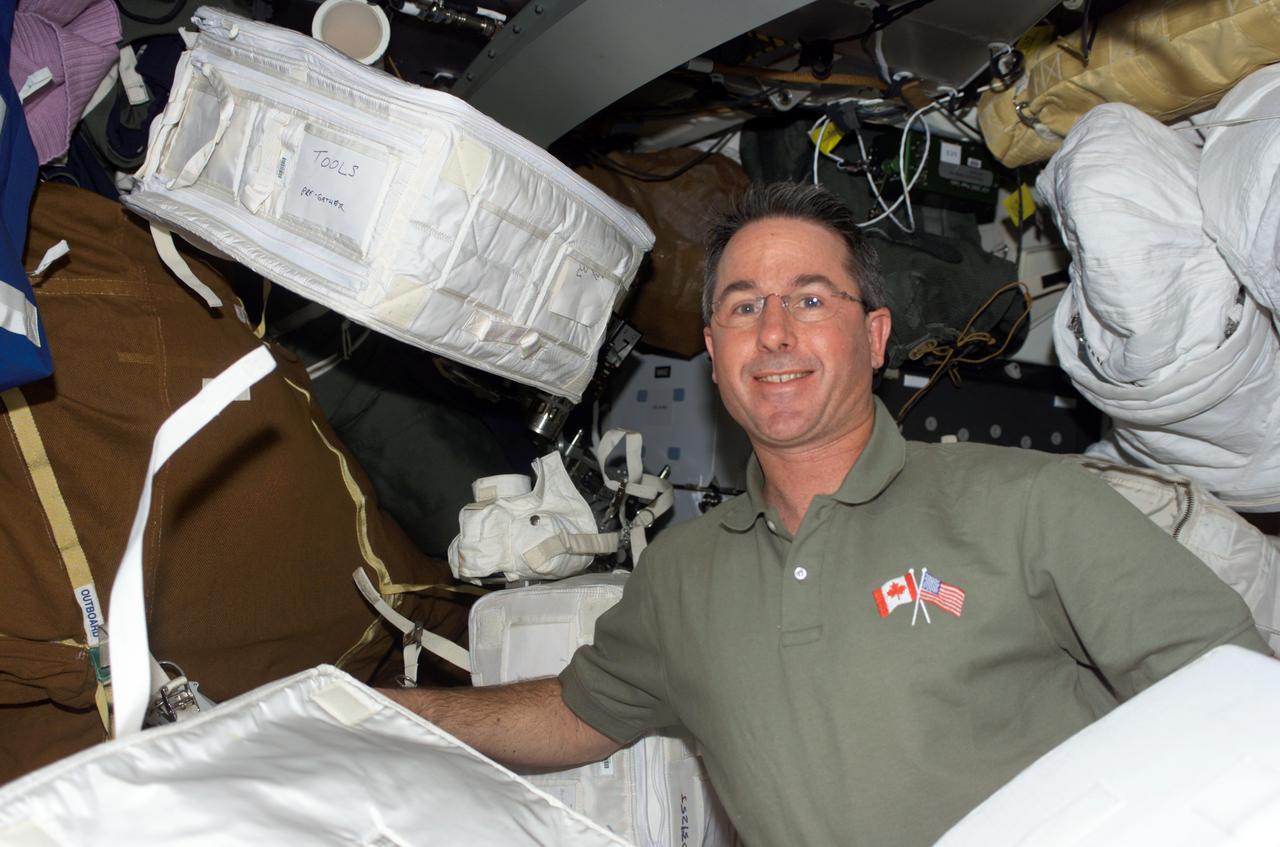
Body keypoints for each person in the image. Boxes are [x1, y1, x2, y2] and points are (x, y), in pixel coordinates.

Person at [387, 182, 1270, 846]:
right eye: (743, 307)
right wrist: (383, 714)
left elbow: (1239, 709)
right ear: (714, 351)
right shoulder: (681, 578)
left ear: (876, 337)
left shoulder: (1035, 505)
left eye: (810, 299)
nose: (774, 333)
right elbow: (580, 711)